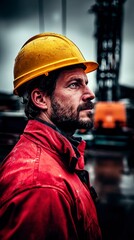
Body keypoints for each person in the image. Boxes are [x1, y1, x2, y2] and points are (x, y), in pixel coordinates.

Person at [0, 32, 102, 240]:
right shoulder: (41, 187)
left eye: (86, 82)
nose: (90, 93)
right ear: (40, 98)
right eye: (74, 84)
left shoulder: (60, 158)